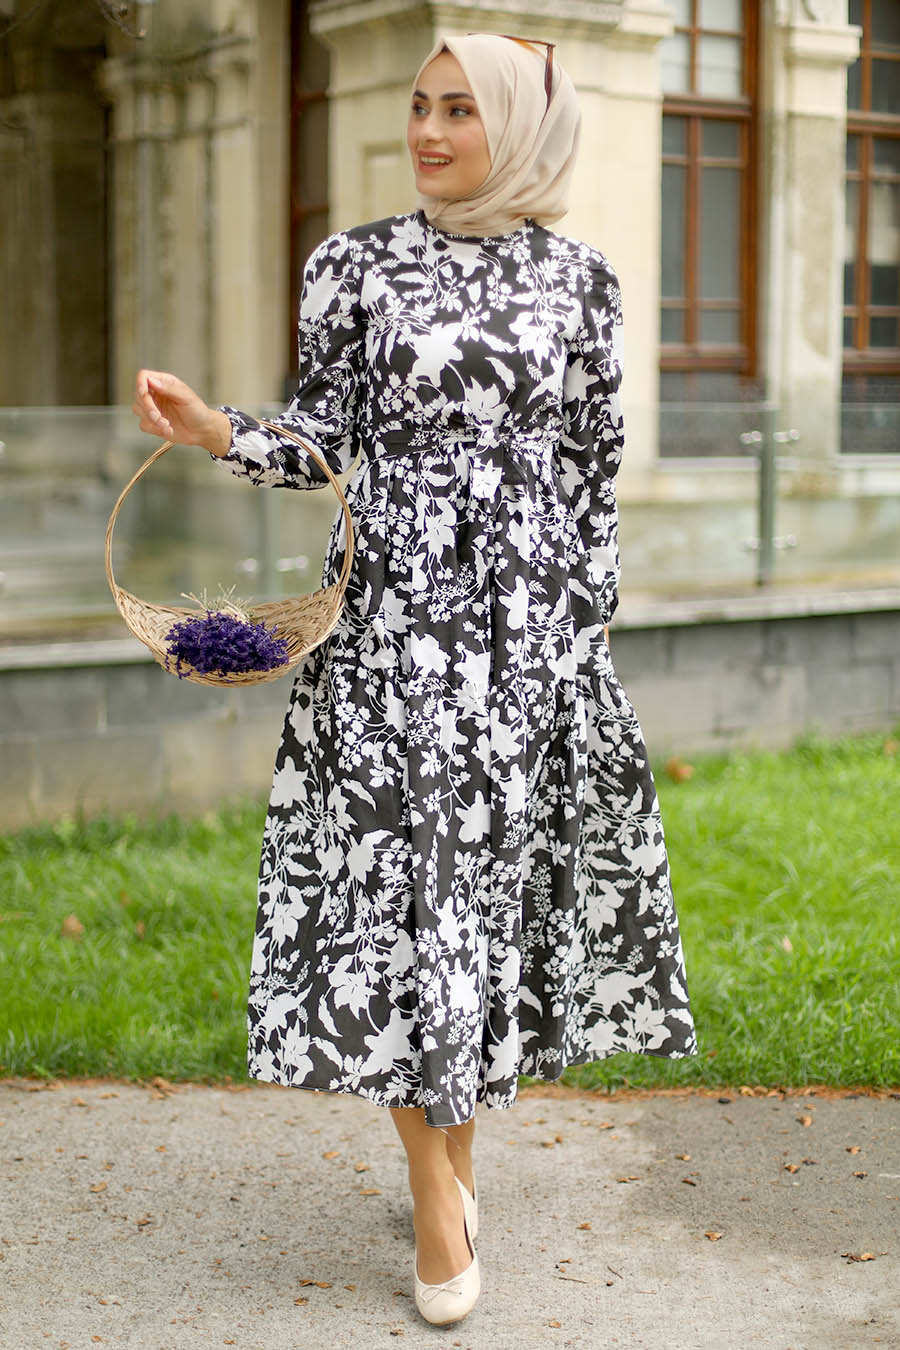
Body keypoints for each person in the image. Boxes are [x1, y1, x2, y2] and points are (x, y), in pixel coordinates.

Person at [132, 32, 698, 1328]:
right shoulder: (355, 268)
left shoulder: (584, 281)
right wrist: (216, 428)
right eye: (419, 105)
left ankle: (456, 1152)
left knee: (478, 910)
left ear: (519, 125)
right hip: (387, 635)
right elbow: (318, 437)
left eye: (460, 108)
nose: (431, 129)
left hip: (527, 647)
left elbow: (592, 466)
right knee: (403, 908)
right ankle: (435, 1200)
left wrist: (582, 631)